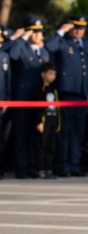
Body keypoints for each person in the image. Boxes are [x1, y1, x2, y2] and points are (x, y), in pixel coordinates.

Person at [43, 15, 88, 177]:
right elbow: (49, 46)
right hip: (66, 92)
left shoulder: (83, 45)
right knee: (64, 131)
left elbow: (87, 71)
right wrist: (60, 31)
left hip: (81, 93)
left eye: (81, 28)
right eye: (76, 27)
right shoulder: (63, 42)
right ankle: (62, 164)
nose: (79, 31)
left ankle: (73, 164)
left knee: (77, 132)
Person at [8, 17, 51, 178]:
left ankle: (33, 165)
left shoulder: (43, 52)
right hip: (22, 98)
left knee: (35, 135)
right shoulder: (21, 47)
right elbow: (12, 55)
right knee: (21, 134)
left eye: (40, 32)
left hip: (38, 99)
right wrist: (22, 38)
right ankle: (21, 167)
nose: (38, 35)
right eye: (35, 32)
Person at [33, 62, 60, 179]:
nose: (52, 76)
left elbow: (58, 106)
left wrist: (58, 123)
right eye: (49, 74)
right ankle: (40, 169)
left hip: (53, 122)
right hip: (44, 123)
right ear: (43, 74)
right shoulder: (39, 88)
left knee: (51, 147)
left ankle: (48, 168)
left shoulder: (54, 89)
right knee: (41, 147)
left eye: (54, 74)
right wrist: (39, 121)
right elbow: (38, 107)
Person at [0, 27, 11, 179]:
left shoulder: (4, 56)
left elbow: (8, 79)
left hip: (2, 102)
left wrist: (8, 99)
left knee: (1, 137)